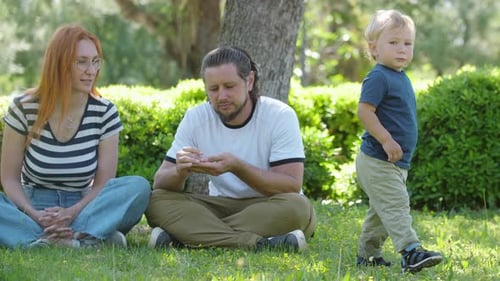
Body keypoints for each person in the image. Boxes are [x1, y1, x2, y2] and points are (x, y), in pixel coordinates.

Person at [145, 46, 316, 252]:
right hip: (218, 207)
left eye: (229, 86)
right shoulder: (196, 118)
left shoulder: (279, 115)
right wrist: (180, 171)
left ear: (249, 81)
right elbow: (160, 182)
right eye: (213, 89)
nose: (221, 96)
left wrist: (237, 167)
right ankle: (261, 244)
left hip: (269, 206)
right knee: (156, 201)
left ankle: (186, 238)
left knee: (298, 208)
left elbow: (290, 185)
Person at [0, 24, 151, 249]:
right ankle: (87, 238)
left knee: (138, 187)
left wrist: (72, 213)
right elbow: (10, 179)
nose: (91, 70)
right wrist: (35, 214)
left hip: (83, 205)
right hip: (32, 205)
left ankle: (61, 238)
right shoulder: (24, 108)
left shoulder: (104, 112)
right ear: (58, 64)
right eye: (81, 62)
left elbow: (103, 183)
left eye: (95, 61)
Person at [355, 10, 443, 273]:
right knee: (395, 205)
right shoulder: (379, 76)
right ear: (374, 48)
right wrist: (386, 139)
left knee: (381, 212)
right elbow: (364, 111)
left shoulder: (400, 77)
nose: (402, 49)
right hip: (377, 159)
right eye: (393, 43)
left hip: (394, 162)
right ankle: (411, 251)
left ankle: (367, 256)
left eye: (407, 43)